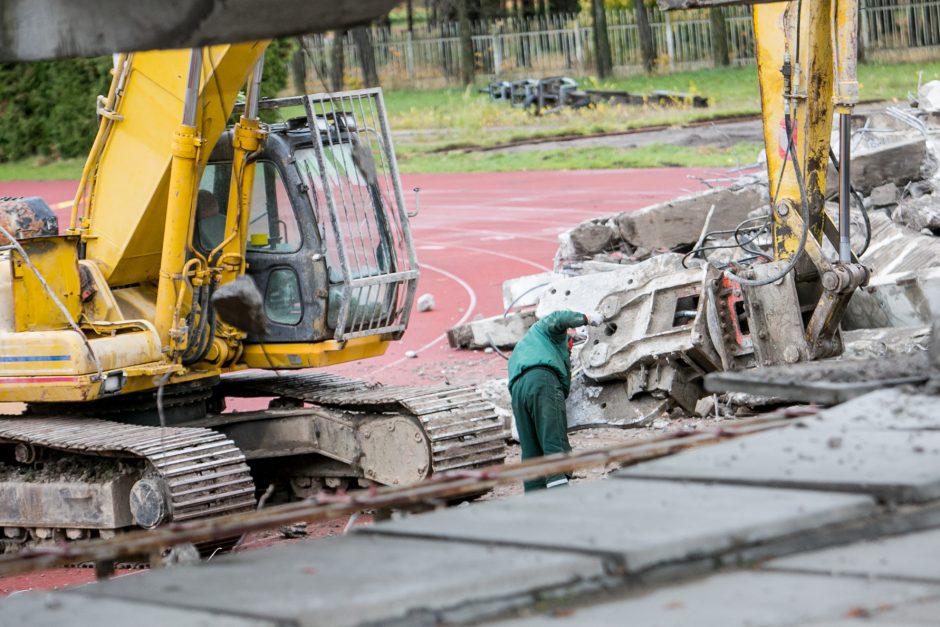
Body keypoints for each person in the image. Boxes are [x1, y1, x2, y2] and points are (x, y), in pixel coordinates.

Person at [508, 309, 604, 493]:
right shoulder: (545, 329)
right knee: (553, 440)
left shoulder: (529, 344)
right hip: (543, 380)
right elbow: (558, 317)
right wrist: (587, 318)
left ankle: (535, 497)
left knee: (531, 448)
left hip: (518, 391)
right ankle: (558, 492)